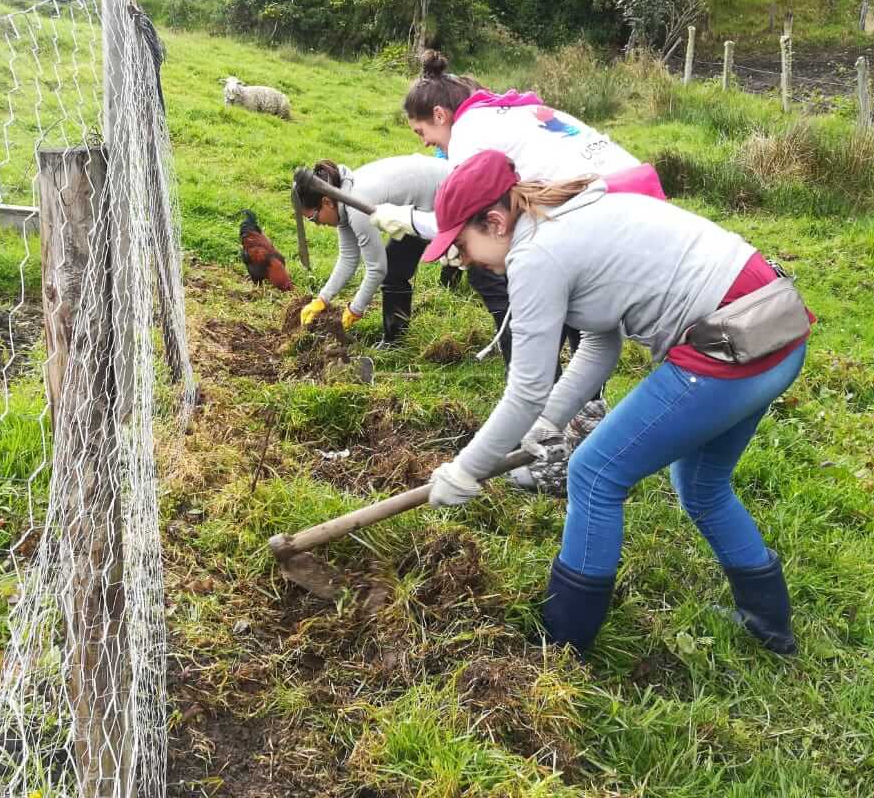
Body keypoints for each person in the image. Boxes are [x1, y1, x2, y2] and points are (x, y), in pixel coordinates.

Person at [419, 149, 814, 657]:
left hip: (733, 346)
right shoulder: (567, 211)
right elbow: (599, 346)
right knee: (700, 483)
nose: (465, 260)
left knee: (594, 474)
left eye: (463, 246)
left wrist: (465, 470)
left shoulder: (535, 254)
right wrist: (548, 422)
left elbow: (526, 387)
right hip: (776, 329)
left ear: (495, 221)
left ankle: (564, 644)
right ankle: (767, 622)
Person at [370, 50, 666, 495]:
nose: (426, 143)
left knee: (541, 310)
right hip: (636, 200)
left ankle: (553, 451)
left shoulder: (471, 133)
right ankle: (573, 432)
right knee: (594, 329)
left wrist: (412, 222)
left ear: (439, 114)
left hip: (604, 211)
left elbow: (473, 218)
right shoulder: (506, 111)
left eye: (423, 132)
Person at [294, 156, 448, 346]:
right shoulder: (341, 198)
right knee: (395, 268)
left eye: (314, 218)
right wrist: (322, 299)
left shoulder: (356, 205)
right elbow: (349, 258)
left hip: (444, 192)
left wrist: (355, 309)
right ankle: (396, 339)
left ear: (326, 202)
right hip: (419, 203)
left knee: (393, 269)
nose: (317, 224)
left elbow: (376, 269)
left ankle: (394, 341)